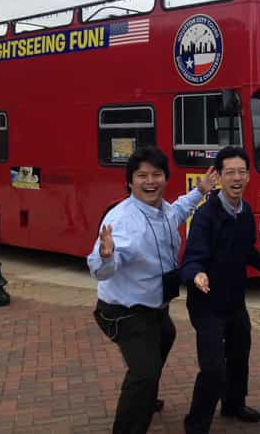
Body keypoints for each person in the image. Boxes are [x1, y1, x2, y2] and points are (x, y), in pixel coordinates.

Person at [87, 146, 217, 434]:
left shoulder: (164, 210)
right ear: (130, 181)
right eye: (142, 175)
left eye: (156, 174)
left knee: (167, 335)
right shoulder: (122, 220)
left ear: (165, 178)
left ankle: (144, 395)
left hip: (154, 306)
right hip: (123, 311)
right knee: (144, 373)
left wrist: (202, 190)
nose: (150, 181)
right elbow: (100, 269)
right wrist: (106, 256)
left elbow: (180, 210)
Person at [180, 147, 260, 433]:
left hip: (234, 301)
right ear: (219, 177)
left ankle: (233, 404)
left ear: (248, 176)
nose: (236, 177)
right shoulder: (206, 215)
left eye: (241, 171)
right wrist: (197, 274)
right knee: (213, 368)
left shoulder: (245, 214)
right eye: (229, 172)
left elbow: (245, 249)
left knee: (240, 353)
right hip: (206, 303)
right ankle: (196, 425)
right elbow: (191, 258)